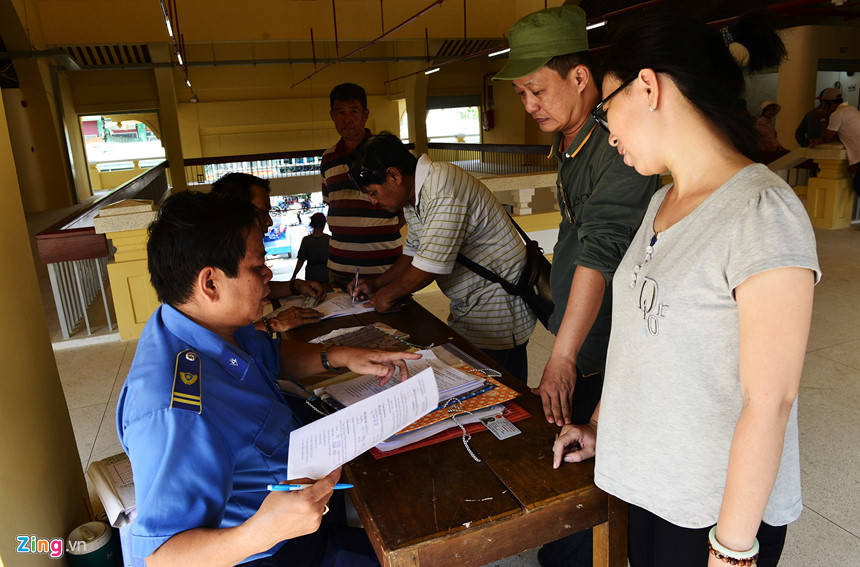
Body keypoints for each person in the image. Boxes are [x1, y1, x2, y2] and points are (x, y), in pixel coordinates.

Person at [553, 10, 820, 567]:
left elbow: (770, 402)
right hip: (653, 488)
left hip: (714, 512)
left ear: (647, 88)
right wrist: (603, 427)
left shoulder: (761, 212)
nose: (608, 129)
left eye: (606, 109)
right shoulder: (660, 203)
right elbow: (642, 345)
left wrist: (733, 548)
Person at [117, 191, 420, 566]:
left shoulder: (204, 322)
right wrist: (262, 531)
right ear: (210, 283)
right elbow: (161, 558)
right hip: (269, 550)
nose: (268, 275)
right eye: (257, 266)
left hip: (305, 501)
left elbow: (270, 356)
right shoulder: (173, 409)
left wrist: (340, 355)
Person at [493, 5, 658, 427]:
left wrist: (562, 356)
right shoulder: (571, 140)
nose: (529, 105)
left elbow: (601, 252)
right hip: (577, 338)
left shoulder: (615, 147)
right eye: (521, 94)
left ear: (580, 77)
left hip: (602, 348)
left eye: (538, 90)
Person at [347, 132, 536, 383]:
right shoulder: (415, 196)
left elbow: (429, 266)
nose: (372, 201)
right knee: (476, 377)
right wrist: (377, 284)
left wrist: (387, 296)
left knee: (503, 386)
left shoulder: (442, 186)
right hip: (470, 307)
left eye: (373, 192)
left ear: (394, 175)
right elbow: (414, 252)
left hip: (497, 306)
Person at [211, 172, 324, 332]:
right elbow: (221, 340)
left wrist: (295, 286)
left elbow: (250, 286)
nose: (270, 221)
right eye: (262, 212)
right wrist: (273, 324)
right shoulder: (213, 252)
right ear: (234, 210)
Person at [321, 83, 403, 289]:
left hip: (384, 268)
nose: (347, 119)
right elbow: (331, 204)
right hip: (340, 269)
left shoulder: (386, 152)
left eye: (354, 112)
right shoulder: (327, 158)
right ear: (332, 115)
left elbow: (405, 204)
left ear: (365, 114)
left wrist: (381, 231)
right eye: (340, 112)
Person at [821, 88, 860, 199]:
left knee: (858, 186)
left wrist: (823, 118)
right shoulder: (851, 109)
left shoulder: (837, 114)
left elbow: (827, 137)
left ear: (829, 104)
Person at [292, 212, 331, 284]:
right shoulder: (329, 239)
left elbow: (300, 261)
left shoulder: (306, 240)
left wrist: (294, 275)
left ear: (312, 224)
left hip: (311, 276)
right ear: (324, 224)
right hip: (326, 275)